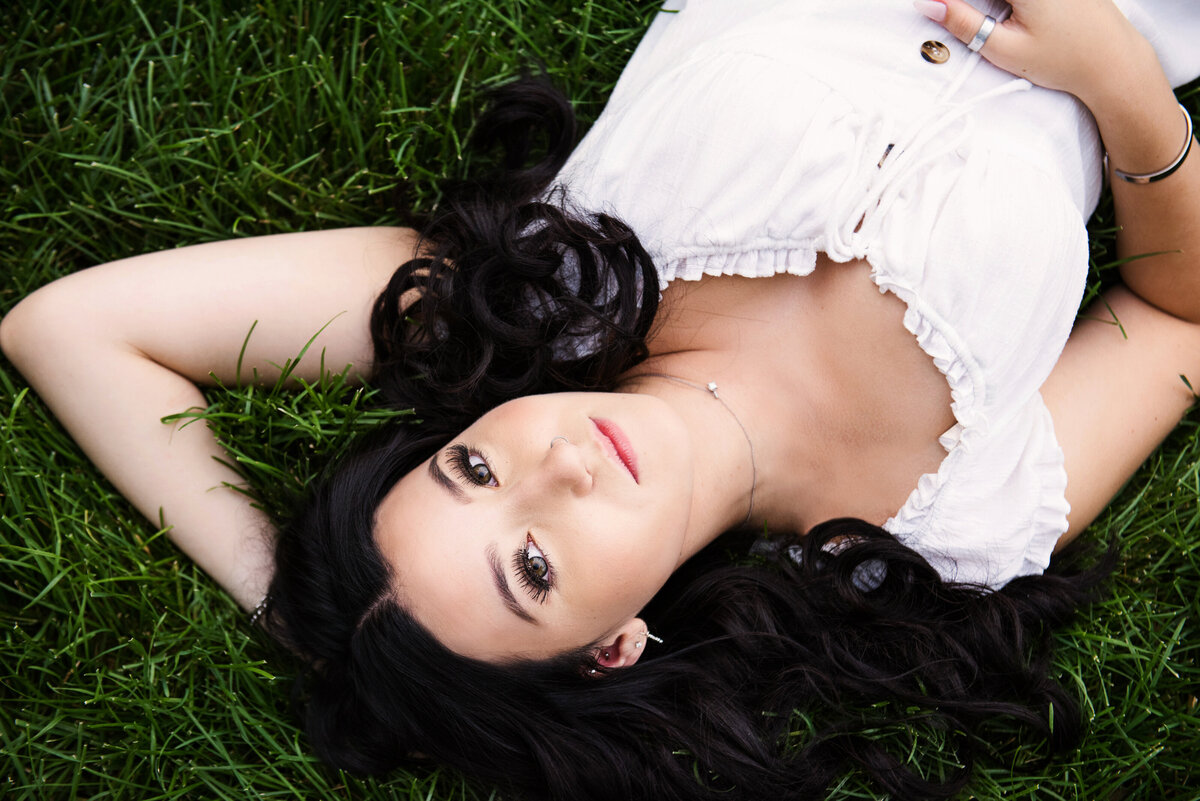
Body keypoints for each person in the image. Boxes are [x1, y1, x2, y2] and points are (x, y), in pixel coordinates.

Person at [2, 0, 1199, 798]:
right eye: (533, 568)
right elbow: (1174, 316)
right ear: (614, 651)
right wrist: (1120, 81)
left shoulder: (547, 284)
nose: (558, 468)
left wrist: (290, 604)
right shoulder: (954, 521)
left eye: (469, 470)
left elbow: (68, 326)